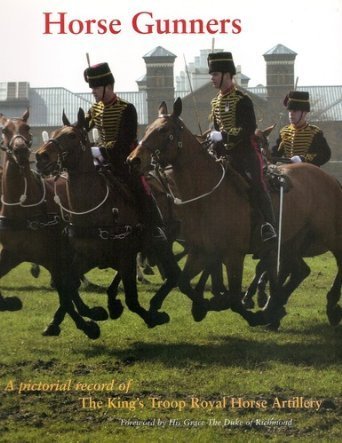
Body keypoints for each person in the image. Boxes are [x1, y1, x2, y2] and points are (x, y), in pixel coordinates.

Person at [83, 62, 180, 278]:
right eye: (92, 89)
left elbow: (124, 142)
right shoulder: (95, 109)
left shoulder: (126, 109)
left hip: (124, 163)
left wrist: (99, 151)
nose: (93, 92)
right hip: (100, 163)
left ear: (107, 86)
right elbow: (82, 128)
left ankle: (155, 231)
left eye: (96, 88)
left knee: (142, 192)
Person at [207, 52, 277, 242]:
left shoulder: (242, 99)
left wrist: (224, 135)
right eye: (211, 74)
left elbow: (248, 129)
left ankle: (268, 225)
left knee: (257, 183)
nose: (211, 78)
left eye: (215, 74)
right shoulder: (215, 102)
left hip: (245, 154)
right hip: (223, 155)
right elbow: (216, 128)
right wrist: (213, 138)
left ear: (227, 75)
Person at [272, 91, 331, 166]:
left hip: (308, 173)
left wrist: (303, 159)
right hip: (288, 172)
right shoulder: (284, 132)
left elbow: (325, 154)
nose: (291, 114)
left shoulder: (315, 132)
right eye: (290, 111)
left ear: (304, 113)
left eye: (295, 111)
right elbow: (275, 154)